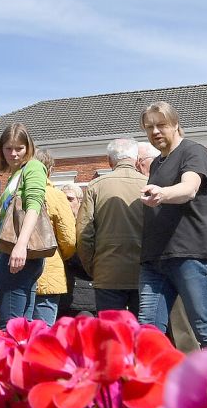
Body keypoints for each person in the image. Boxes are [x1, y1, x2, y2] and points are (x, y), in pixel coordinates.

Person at [138, 102, 207, 349]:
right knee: (148, 333)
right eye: (149, 127)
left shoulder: (193, 151)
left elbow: (189, 188)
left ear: (176, 124)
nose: (155, 131)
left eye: (161, 125)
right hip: (155, 259)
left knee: (206, 331)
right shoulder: (157, 163)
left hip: (190, 254)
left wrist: (162, 194)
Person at [0, 123, 47, 329]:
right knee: (21, 327)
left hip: (21, 254)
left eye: (19, 148)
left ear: (28, 147)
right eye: (8, 148)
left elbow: (34, 206)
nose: (13, 154)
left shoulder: (33, 167)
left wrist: (21, 245)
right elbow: (7, 224)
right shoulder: (14, 175)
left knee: (9, 326)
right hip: (10, 254)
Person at [76, 138, 145, 314]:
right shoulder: (150, 185)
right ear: (136, 160)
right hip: (144, 273)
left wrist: (92, 267)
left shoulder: (96, 186)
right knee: (143, 333)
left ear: (109, 160)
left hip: (107, 272)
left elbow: (84, 233)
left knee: (110, 334)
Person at [31, 150, 76, 326]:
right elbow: (69, 239)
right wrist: (61, 256)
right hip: (48, 270)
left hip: (15, 271)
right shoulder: (56, 196)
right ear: (49, 170)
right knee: (43, 335)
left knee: (18, 333)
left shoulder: (13, 191)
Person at [57, 183, 97, 318]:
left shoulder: (87, 227)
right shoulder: (55, 227)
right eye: (62, 199)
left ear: (80, 202)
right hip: (59, 297)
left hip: (84, 297)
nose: (66, 203)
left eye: (70, 199)